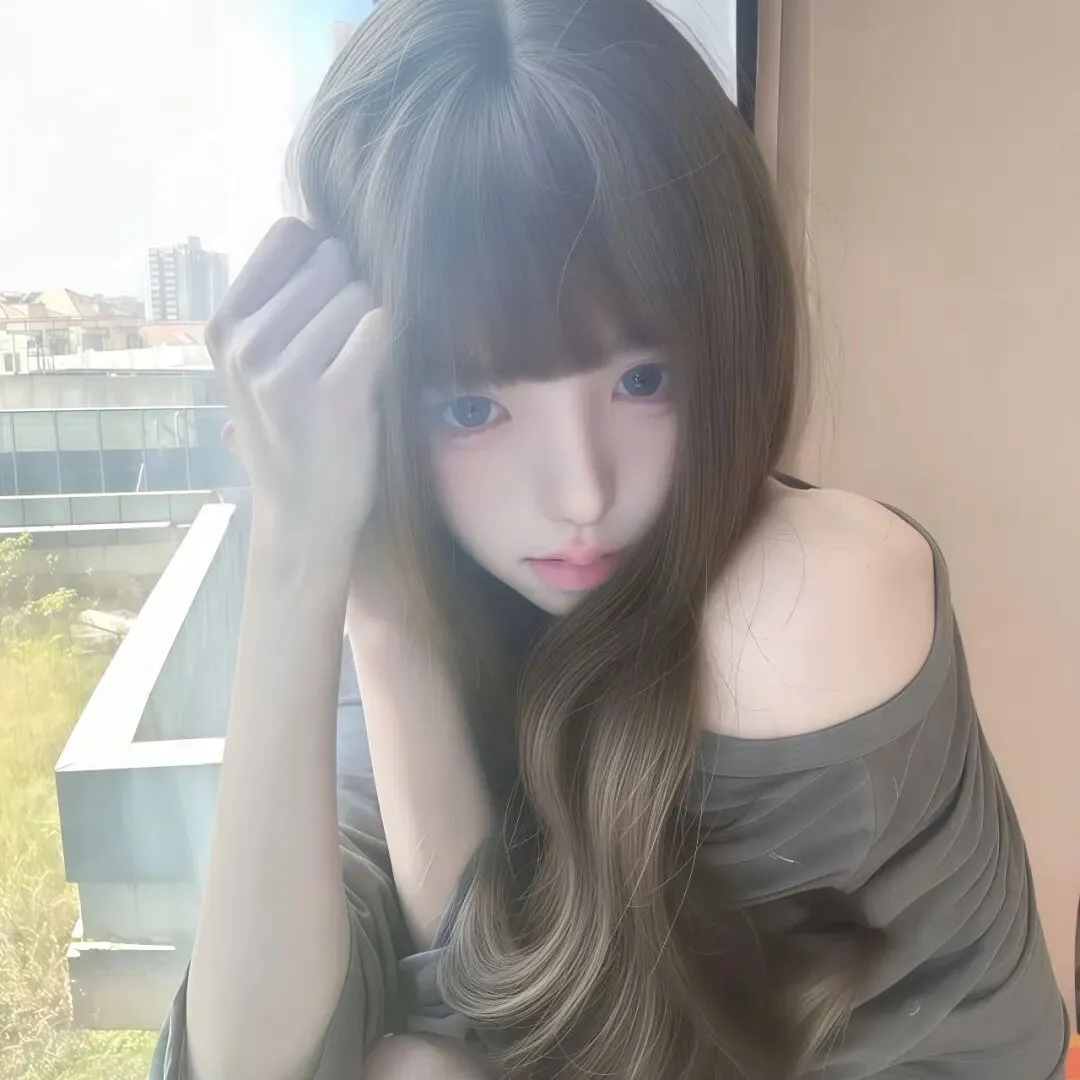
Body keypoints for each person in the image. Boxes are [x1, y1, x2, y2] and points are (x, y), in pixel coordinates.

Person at [148, 0, 1069, 1078]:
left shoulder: (806, 592)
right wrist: (315, 567)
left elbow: (566, 1050)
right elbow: (254, 1063)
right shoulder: (433, 584)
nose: (581, 493)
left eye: (642, 379)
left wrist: (392, 637)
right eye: (474, 407)